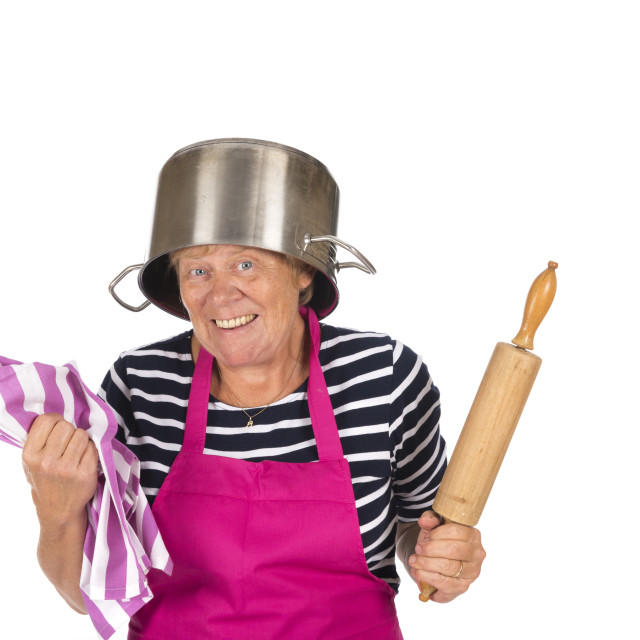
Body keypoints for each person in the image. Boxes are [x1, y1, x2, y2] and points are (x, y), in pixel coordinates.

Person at [21, 139, 486, 639]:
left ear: (304, 269)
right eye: (198, 270)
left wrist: (445, 561)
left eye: (245, 264)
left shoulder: (384, 375)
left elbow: (421, 527)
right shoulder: (139, 385)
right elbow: (86, 594)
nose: (221, 295)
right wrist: (57, 508)